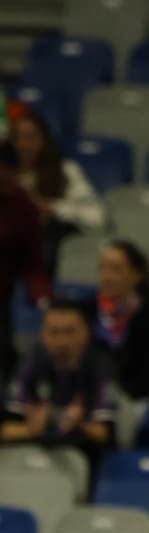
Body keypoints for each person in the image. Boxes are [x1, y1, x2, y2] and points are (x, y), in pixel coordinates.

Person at [1, 299, 118, 463]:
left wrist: (79, 426)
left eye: (69, 331)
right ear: (43, 335)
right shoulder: (29, 368)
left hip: (83, 457)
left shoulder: (99, 368)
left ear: (85, 332)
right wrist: (32, 429)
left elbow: (107, 434)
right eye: (54, 332)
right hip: (31, 456)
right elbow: (6, 430)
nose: (62, 341)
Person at [9, 109, 105, 271]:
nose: (23, 145)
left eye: (30, 137)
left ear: (44, 140)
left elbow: (96, 218)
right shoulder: (5, 175)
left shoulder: (65, 171)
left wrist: (54, 207)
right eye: (17, 138)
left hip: (50, 250)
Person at [85, 238, 149, 403]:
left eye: (115, 269)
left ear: (137, 275)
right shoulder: (84, 313)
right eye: (102, 269)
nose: (107, 277)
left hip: (137, 401)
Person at [0, 139, 50, 384]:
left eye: (12, 173)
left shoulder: (22, 205)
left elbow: (33, 262)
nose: (9, 180)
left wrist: (42, 297)